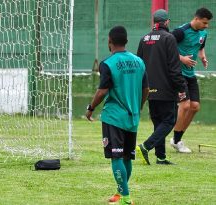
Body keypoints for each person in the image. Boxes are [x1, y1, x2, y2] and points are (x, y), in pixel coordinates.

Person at [86, 26, 149, 205]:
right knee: (127, 156)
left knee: (116, 156)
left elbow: (102, 91)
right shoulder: (139, 61)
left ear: (109, 41)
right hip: (132, 117)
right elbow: (145, 89)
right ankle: (121, 194)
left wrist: (91, 108)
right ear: (126, 41)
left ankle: (126, 198)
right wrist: (139, 106)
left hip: (114, 117)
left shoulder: (108, 63)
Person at [136, 9, 186, 165]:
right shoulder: (169, 38)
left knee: (159, 123)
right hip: (166, 89)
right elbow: (174, 67)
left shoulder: (144, 39)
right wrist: (181, 87)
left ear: (154, 22)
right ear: (167, 22)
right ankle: (146, 146)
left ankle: (161, 157)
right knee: (169, 121)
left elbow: (139, 65)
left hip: (149, 89)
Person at [170, 8, 213, 153]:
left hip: (190, 74)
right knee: (186, 105)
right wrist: (181, 58)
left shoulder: (203, 33)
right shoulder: (181, 31)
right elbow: (166, 46)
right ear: (196, 18)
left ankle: (177, 139)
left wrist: (202, 57)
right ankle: (176, 140)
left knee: (195, 107)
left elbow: (200, 47)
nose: (206, 26)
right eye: (204, 23)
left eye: (208, 23)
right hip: (178, 73)